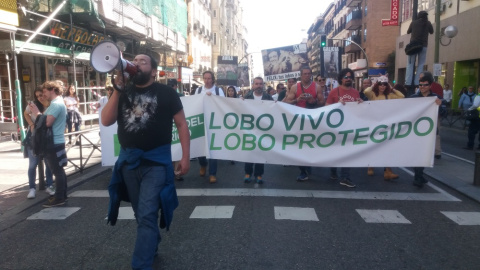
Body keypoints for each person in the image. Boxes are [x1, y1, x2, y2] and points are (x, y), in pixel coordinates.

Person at [102, 53, 190, 269]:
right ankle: (151, 243)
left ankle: (141, 265)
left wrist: (185, 157)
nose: (136, 63)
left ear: (153, 71)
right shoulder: (122, 92)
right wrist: (118, 88)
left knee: (147, 212)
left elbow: (181, 125)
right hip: (129, 163)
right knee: (140, 213)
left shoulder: (167, 93)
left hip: (156, 163)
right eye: (135, 60)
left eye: (143, 61)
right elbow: (106, 120)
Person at [29, 81, 68, 207]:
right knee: (59, 170)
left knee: (57, 170)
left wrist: (36, 112)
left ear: (52, 90)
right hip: (55, 141)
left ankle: (59, 198)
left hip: (53, 142)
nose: (43, 94)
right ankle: (61, 196)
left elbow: (47, 123)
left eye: (45, 91)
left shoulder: (56, 105)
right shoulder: (56, 103)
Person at [284, 67, 325, 181]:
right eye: (305, 74)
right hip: (298, 120)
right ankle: (303, 171)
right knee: (299, 146)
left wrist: (314, 100)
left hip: (313, 121)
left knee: (311, 145)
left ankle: (309, 164)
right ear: (301, 75)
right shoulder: (295, 87)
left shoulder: (316, 87)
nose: (307, 75)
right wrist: (297, 100)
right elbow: (287, 102)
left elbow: (323, 103)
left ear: (311, 75)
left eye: (309, 73)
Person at [326, 68, 363, 188]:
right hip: (336, 128)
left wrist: (361, 103)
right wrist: (336, 105)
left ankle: (345, 177)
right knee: (335, 151)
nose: (348, 79)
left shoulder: (356, 92)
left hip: (350, 127)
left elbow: (360, 110)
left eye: (350, 77)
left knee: (347, 152)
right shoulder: (334, 92)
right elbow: (326, 108)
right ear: (341, 79)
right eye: (346, 77)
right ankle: (333, 170)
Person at [363, 76, 404, 180]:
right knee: (373, 146)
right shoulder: (373, 95)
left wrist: (392, 88)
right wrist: (373, 84)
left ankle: (388, 171)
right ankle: (370, 166)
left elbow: (402, 96)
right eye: (380, 84)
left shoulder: (390, 96)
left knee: (386, 147)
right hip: (373, 124)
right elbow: (366, 91)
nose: (382, 86)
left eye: (384, 84)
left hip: (386, 125)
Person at [408, 72, 442, 187]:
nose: (422, 87)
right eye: (420, 85)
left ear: (430, 85)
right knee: (417, 154)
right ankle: (418, 177)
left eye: (425, 85)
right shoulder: (413, 98)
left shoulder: (436, 98)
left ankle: (419, 175)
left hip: (429, 132)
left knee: (424, 154)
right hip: (415, 131)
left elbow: (444, 113)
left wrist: (439, 105)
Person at [24, 88, 55, 199]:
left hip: (46, 137)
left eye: (41, 94)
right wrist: (31, 124)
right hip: (33, 137)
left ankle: (49, 185)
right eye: (37, 96)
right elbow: (26, 113)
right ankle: (32, 188)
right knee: (33, 164)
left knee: (48, 163)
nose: (40, 97)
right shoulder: (33, 105)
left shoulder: (52, 105)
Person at [242, 77, 273, 184]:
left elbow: (274, 110)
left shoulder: (268, 97)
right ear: (253, 85)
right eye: (256, 84)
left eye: (260, 84)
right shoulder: (247, 96)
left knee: (260, 152)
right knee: (249, 151)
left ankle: (259, 174)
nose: (258, 86)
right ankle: (248, 173)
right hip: (250, 129)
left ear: (263, 85)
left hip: (263, 129)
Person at [195, 71, 224, 183]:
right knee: (200, 146)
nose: (207, 80)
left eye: (209, 78)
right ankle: (203, 164)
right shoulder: (198, 90)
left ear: (213, 79)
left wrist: (212, 98)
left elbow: (222, 103)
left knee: (213, 149)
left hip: (214, 122)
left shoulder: (218, 90)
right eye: (205, 78)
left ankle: (212, 173)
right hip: (201, 121)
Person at [405, 10, 434, 94]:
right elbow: (431, 32)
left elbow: (408, 32)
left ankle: (408, 82)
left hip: (413, 46)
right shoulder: (428, 23)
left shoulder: (414, 23)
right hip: (423, 46)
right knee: (421, 64)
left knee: (410, 64)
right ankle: (417, 82)